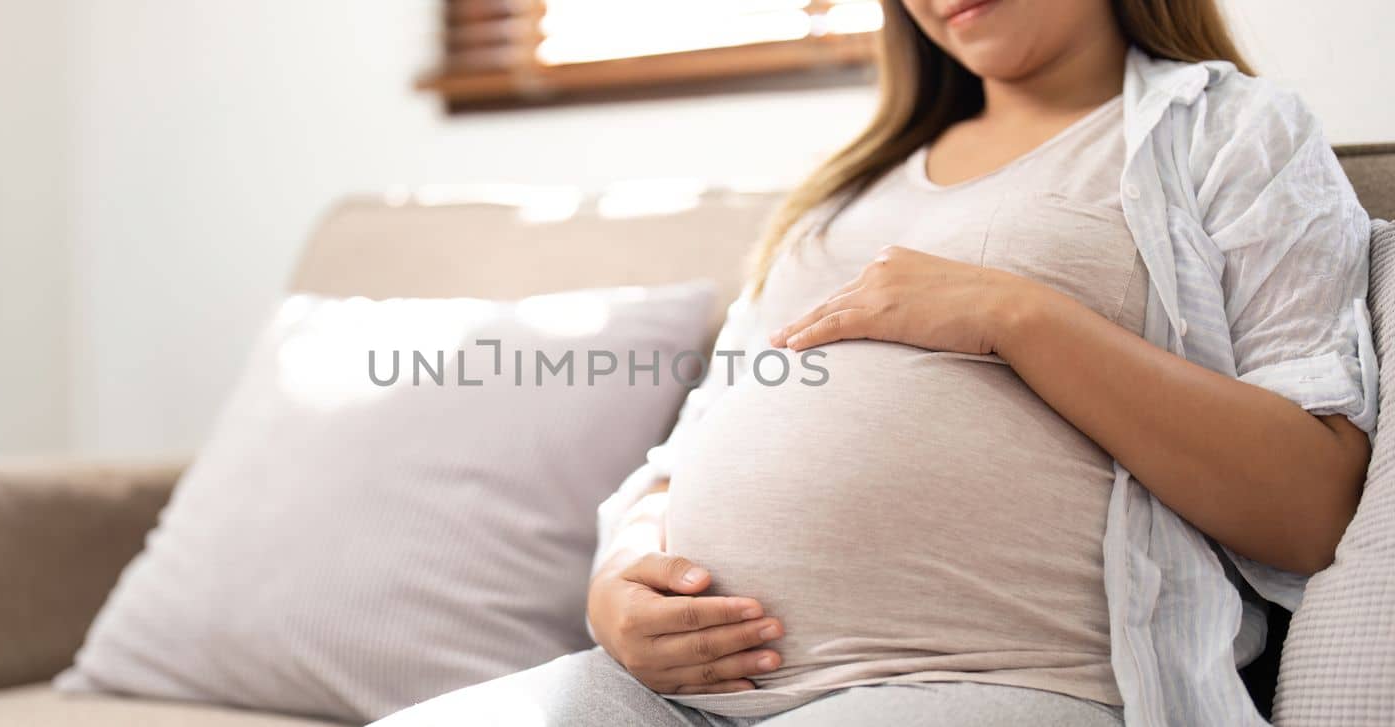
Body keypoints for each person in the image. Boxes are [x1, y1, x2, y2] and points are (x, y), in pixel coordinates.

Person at [376, 0, 1376, 724]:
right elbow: (688, 448)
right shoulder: (839, 196)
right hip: (670, 691)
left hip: (982, 680)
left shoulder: (1228, 130)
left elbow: (1308, 506)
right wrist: (621, 582)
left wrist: (1014, 312)